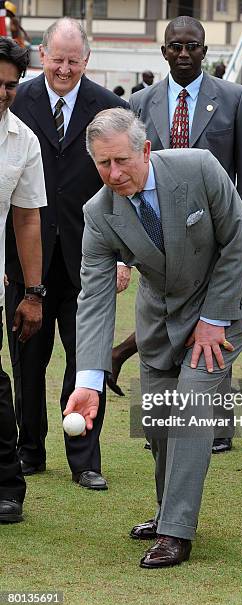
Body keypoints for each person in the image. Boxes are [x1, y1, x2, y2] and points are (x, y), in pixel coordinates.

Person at [64, 107, 242, 568]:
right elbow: (93, 297)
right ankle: (167, 509)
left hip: (221, 313)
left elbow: (237, 241)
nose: (113, 174)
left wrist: (213, 318)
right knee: (158, 424)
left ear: (146, 150)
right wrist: (88, 380)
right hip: (159, 324)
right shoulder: (98, 213)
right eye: (102, 164)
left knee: (190, 410)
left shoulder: (198, 168)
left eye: (122, 161)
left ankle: (176, 531)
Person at [107, 15, 242, 455]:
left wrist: (240, 237)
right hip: (160, 248)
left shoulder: (235, 98)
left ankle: (217, 429)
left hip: (217, 243)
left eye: (191, 46)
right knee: (173, 330)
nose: (183, 54)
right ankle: (166, 427)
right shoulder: (141, 101)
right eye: (175, 46)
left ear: (204, 51)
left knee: (215, 328)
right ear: (163, 51)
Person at [5, 17, 129, 490]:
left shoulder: (110, 109)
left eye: (73, 61)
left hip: (90, 261)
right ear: (41, 55)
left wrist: (122, 257)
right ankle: (29, 451)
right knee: (27, 361)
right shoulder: (17, 102)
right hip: (25, 261)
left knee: (88, 359)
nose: (64, 69)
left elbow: (124, 189)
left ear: (87, 61)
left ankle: (85, 460)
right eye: (56, 59)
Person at [0, 37, 46, 523]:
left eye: (11, 85)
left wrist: (33, 293)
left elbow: (27, 220)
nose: (2, 92)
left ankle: (8, 489)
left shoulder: (23, 140)